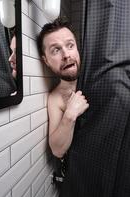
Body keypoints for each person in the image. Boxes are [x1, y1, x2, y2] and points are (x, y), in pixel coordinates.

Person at [37, 17, 89, 159]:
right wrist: (70, 114)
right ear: (46, 60)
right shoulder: (55, 98)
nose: (66, 55)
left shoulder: (100, 76)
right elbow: (57, 150)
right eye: (56, 50)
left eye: (70, 46)